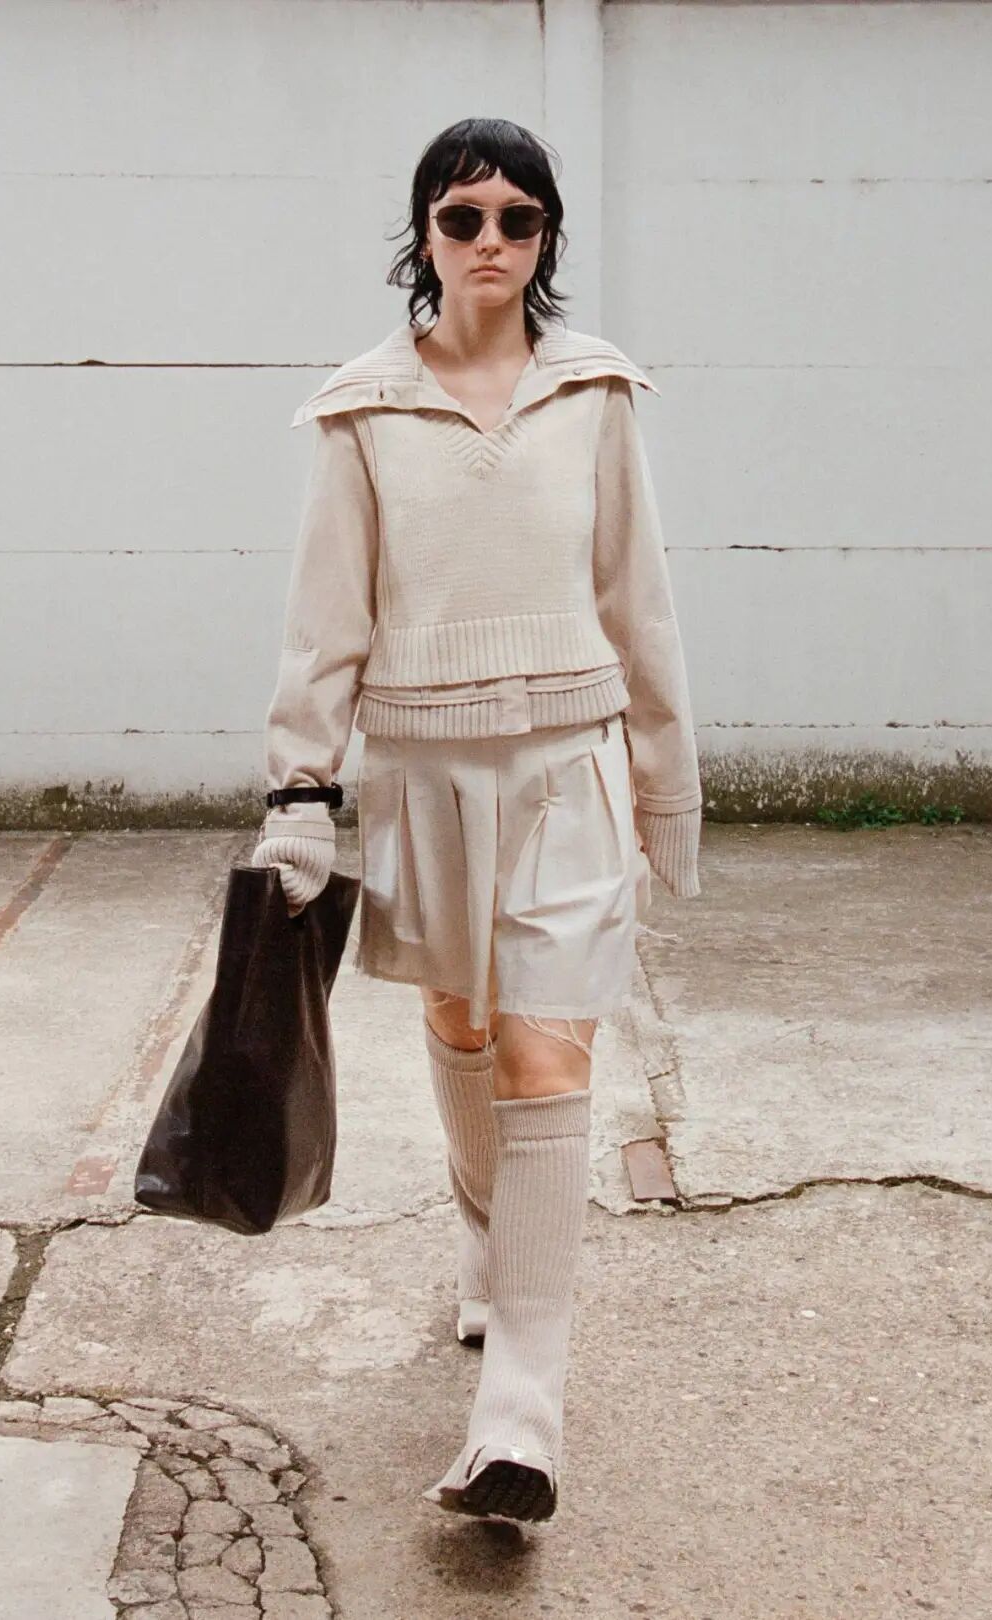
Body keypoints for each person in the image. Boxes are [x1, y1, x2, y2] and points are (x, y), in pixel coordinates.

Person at [252, 117, 702, 1525]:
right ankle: (487, 1244)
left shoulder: (596, 392)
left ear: (546, 234)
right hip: (422, 773)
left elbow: (639, 601)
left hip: (571, 768)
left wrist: (666, 784)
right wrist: (300, 790)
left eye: (518, 217)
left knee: (546, 1048)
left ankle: (519, 1417)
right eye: (464, 217)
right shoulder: (362, 410)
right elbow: (326, 619)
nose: (492, 240)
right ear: (426, 235)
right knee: (460, 1021)